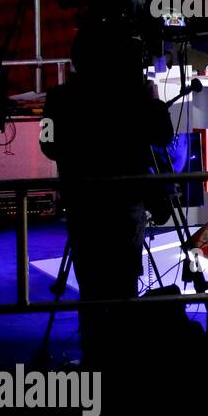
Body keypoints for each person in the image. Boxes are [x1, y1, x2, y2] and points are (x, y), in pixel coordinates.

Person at [40, 23, 174, 363]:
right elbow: (162, 134)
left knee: (91, 282)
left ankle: (95, 354)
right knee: (124, 280)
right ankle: (122, 356)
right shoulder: (131, 93)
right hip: (123, 202)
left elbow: (48, 146)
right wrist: (151, 97)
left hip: (82, 202)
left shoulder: (58, 97)